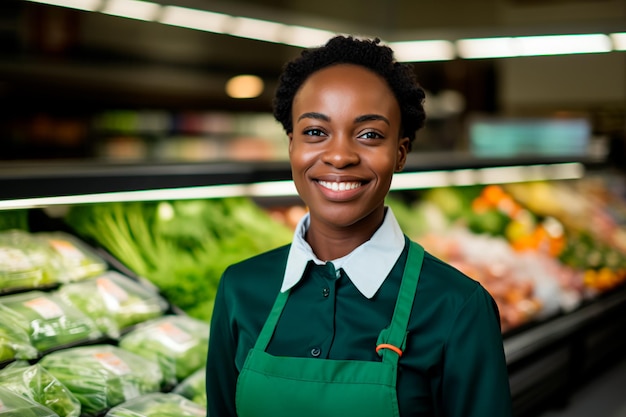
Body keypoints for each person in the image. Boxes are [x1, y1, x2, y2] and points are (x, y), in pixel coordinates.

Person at [206, 35, 513, 417]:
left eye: (369, 135)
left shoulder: (457, 307)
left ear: (399, 154)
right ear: (291, 146)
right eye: (316, 132)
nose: (339, 155)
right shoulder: (240, 288)